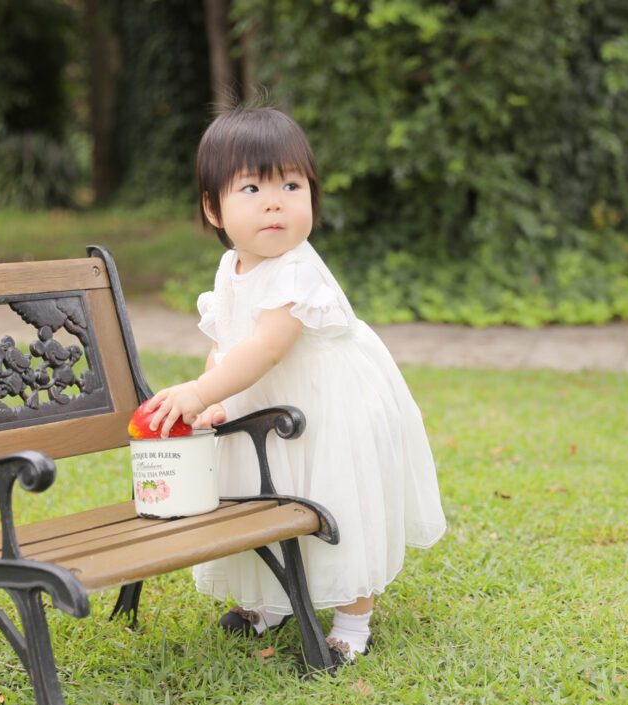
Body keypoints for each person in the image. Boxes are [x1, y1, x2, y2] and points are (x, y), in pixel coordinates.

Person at [145, 105, 446, 663]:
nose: (275, 200)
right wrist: (215, 389)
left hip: (333, 404)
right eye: (253, 187)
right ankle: (272, 598)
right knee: (265, 492)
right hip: (269, 401)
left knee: (336, 498)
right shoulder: (231, 267)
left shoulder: (295, 271)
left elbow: (265, 347)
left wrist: (200, 392)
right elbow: (228, 342)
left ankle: (353, 620)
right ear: (214, 208)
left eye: (291, 183)